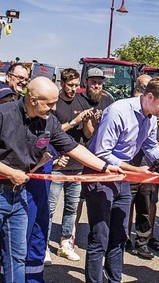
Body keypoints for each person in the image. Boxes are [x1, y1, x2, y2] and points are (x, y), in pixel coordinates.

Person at [0, 77, 122, 283]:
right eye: (48, 104)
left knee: (17, 255)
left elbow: (72, 148)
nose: (53, 108)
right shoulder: (0, 115)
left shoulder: (48, 121)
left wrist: (105, 168)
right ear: (32, 98)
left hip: (20, 194)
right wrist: (10, 173)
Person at [83, 77, 159, 283]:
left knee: (119, 236)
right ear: (149, 97)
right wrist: (136, 170)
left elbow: (151, 147)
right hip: (101, 177)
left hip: (123, 179)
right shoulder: (118, 111)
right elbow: (100, 152)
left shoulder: (150, 118)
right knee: (100, 238)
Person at [48, 68, 93, 261]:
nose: (74, 89)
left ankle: (66, 242)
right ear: (62, 84)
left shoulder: (81, 102)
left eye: (76, 85)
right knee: (49, 208)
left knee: (72, 207)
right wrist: (74, 121)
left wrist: (88, 121)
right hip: (58, 164)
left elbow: (88, 134)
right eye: (70, 85)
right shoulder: (55, 103)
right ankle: (41, 246)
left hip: (76, 165)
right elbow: (53, 131)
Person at [127, 74, 159, 260]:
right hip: (128, 168)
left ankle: (142, 242)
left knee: (145, 206)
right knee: (125, 206)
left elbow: (151, 145)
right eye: (144, 87)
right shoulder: (124, 110)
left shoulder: (152, 116)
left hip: (147, 167)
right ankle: (123, 238)